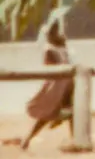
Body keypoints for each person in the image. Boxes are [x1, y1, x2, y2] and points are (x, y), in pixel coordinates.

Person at [17, 18, 73, 149]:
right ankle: (28, 138)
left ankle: (74, 138)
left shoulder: (61, 45)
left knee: (72, 111)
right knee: (47, 113)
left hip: (66, 81)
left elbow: (68, 60)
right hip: (57, 84)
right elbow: (50, 66)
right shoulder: (49, 49)